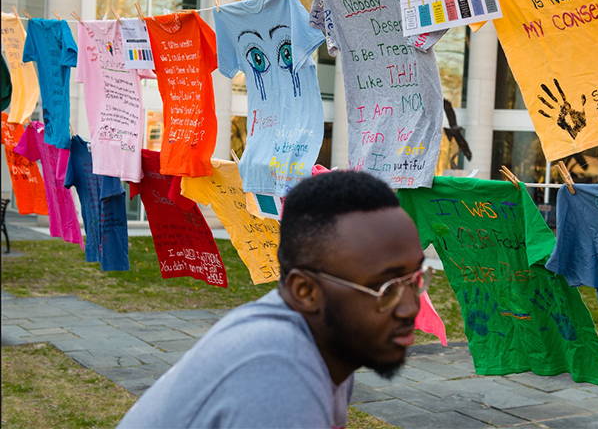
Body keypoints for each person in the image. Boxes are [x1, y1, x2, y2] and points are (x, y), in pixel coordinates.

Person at [117, 171, 432, 429]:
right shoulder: (277, 372)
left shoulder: (330, 342)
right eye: (386, 288)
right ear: (305, 291)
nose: (411, 308)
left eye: (415, 279)